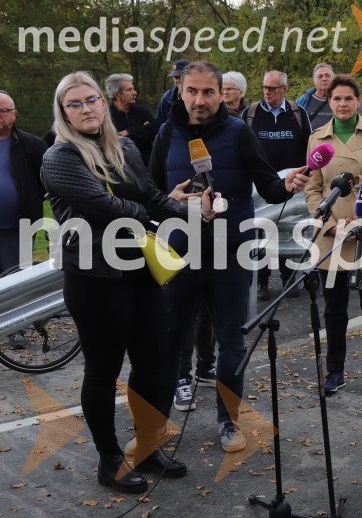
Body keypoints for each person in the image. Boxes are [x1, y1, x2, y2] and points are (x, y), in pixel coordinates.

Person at [41, 71, 217, 492]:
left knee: (154, 362)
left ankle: (146, 447)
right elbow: (106, 207)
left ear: (104, 104)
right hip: (95, 278)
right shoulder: (59, 157)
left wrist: (190, 209)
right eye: (75, 104)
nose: (86, 109)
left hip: (139, 270)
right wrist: (145, 210)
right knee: (103, 372)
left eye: (91, 100)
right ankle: (110, 459)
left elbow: (150, 196)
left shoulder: (123, 145)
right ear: (63, 112)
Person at [147, 61, 309, 453]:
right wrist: (168, 201)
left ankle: (228, 421)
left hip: (230, 253)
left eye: (208, 92)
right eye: (192, 92)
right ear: (180, 92)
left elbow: (268, 187)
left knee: (231, 342)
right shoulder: (166, 132)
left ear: (222, 93)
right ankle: (156, 423)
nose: (199, 100)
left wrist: (286, 185)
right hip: (179, 254)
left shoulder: (239, 132)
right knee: (169, 340)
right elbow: (150, 193)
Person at [305, 74, 362, 396]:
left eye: (348, 99)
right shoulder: (317, 139)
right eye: (337, 99)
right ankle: (335, 371)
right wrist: (329, 225)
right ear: (329, 102)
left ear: (358, 101)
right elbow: (313, 189)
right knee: (334, 310)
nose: (343, 104)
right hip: (332, 236)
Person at [243, 70, 312, 301]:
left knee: (289, 229)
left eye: (272, 88)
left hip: (290, 185)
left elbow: (308, 146)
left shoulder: (297, 113)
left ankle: (290, 278)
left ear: (284, 89)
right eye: (264, 87)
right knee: (259, 231)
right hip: (258, 184)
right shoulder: (250, 113)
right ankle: (260, 281)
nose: (266, 92)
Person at [0, 90, 47, 349]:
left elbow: (46, 182)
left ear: (14, 114)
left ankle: (16, 329)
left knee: (15, 279)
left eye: (3, 111)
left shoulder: (31, 144)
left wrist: (30, 201)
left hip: (20, 225)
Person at [105, 74, 157, 164]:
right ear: (117, 94)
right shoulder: (107, 117)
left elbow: (154, 131)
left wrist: (129, 132)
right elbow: (111, 143)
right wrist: (142, 131)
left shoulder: (142, 111)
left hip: (147, 166)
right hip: (122, 168)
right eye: (129, 90)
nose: (135, 92)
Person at [296, 63, 335, 130]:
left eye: (327, 76)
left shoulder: (341, 99)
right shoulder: (303, 101)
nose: (324, 79)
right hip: (310, 140)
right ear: (314, 81)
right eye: (320, 76)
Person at [155, 59, 188, 125]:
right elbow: (159, 123)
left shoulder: (199, 96)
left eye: (181, 76)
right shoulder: (166, 98)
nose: (178, 80)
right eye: (175, 77)